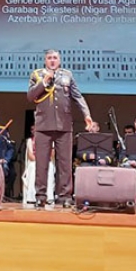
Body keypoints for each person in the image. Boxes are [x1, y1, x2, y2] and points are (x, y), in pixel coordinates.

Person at [27, 48, 93, 208]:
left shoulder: (67, 75)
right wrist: (44, 82)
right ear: (45, 60)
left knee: (65, 163)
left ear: (59, 60)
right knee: (41, 163)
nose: (52, 60)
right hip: (43, 125)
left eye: (55, 58)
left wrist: (86, 114)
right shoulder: (37, 75)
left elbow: (77, 96)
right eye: (49, 58)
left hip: (64, 125)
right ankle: (40, 196)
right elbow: (30, 96)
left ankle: (65, 196)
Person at [21, 125, 55, 207]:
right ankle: (32, 197)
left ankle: (49, 197)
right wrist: (39, 162)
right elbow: (30, 156)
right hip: (34, 162)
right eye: (32, 130)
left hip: (47, 162)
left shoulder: (51, 140)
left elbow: (52, 155)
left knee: (49, 167)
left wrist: (43, 162)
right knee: (33, 167)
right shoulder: (30, 141)